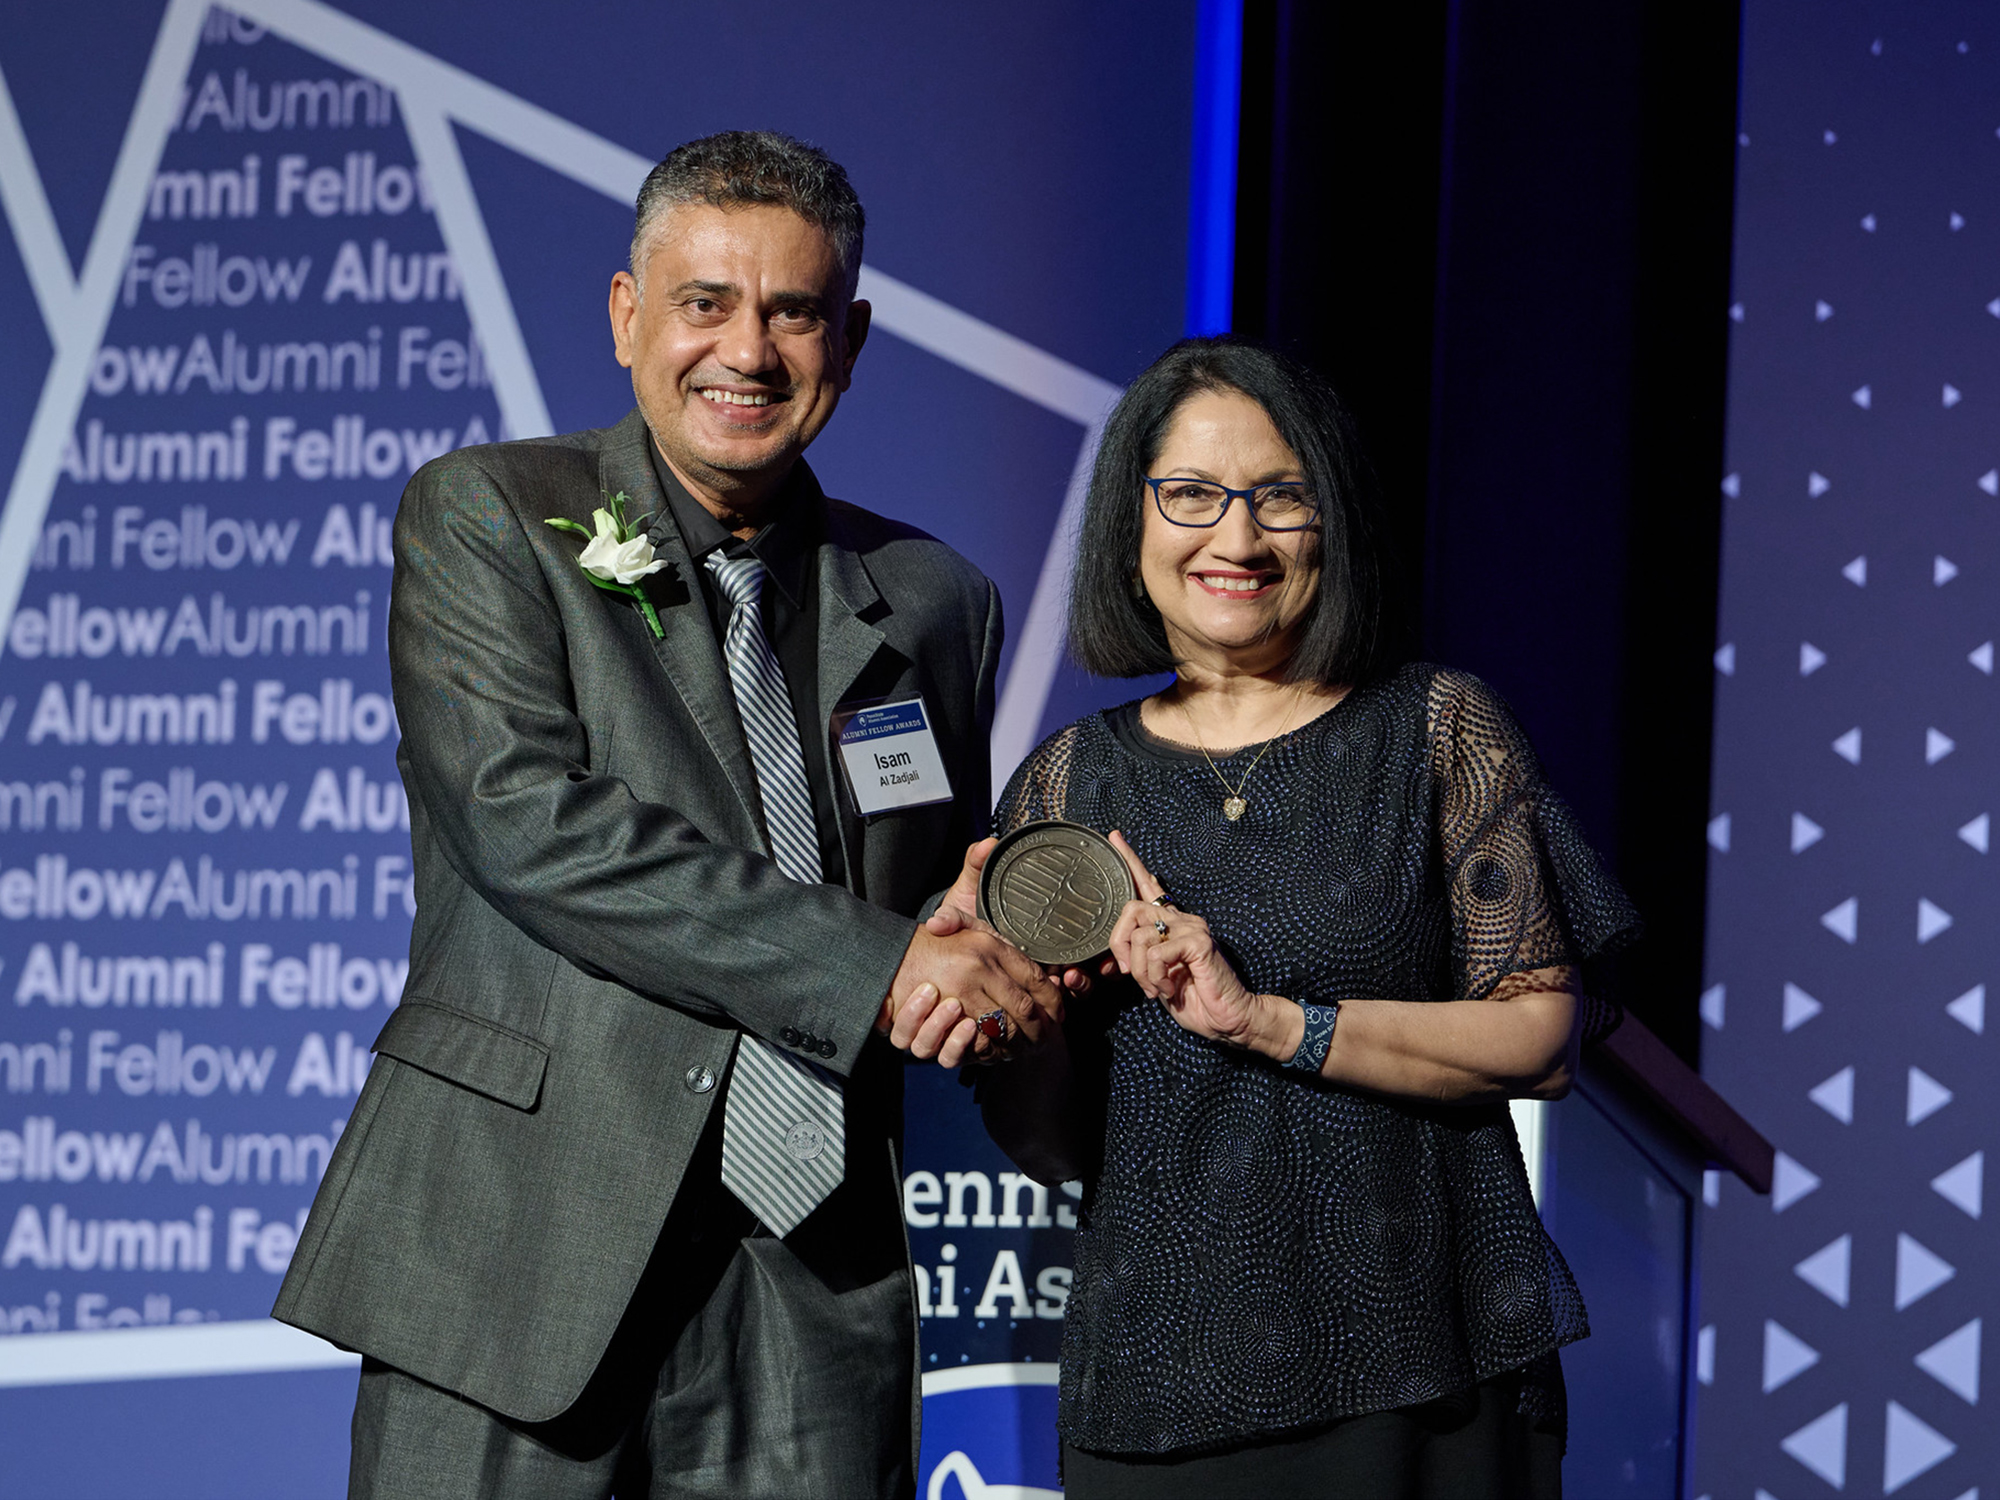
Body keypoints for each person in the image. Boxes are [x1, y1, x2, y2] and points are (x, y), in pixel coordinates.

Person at [274, 130, 1057, 1500]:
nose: (747, 351)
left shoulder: (935, 600)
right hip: (520, 1252)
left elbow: (937, 892)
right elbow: (532, 825)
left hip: (817, 1280)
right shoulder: (491, 517)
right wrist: (881, 969)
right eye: (706, 303)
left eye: (794, 311)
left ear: (851, 339)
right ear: (630, 316)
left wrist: (1002, 957)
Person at [933, 338, 1639, 1498]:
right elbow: (1053, 1144)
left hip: (1417, 1377)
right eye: (1192, 496)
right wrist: (1014, 1015)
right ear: (1131, 520)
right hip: (1152, 1386)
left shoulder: (1434, 732)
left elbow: (1537, 1037)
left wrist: (1266, 1021)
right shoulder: (1065, 786)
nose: (1237, 538)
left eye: (1280, 497)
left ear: (1332, 522)